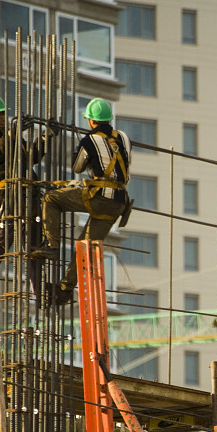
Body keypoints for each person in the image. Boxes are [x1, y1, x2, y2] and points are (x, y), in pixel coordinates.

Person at [30, 97, 132, 305]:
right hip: (119, 202)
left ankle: (51, 245)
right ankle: (64, 289)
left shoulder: (89, 140)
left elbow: (77, 167)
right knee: (86, 246)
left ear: (91, 121)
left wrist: (84, 154)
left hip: (100, 197)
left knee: (50, 198)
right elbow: (126, 161)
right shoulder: (123, 137)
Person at [0, 94, 52, 298]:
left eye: (2, 114)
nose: (1, 118)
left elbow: (30, 156)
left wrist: (44, 139)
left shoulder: (11, 137)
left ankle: (39, 292)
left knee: (33, 246)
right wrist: (13, 133)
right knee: (1, 241)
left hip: (28, 194)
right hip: (8, 197)